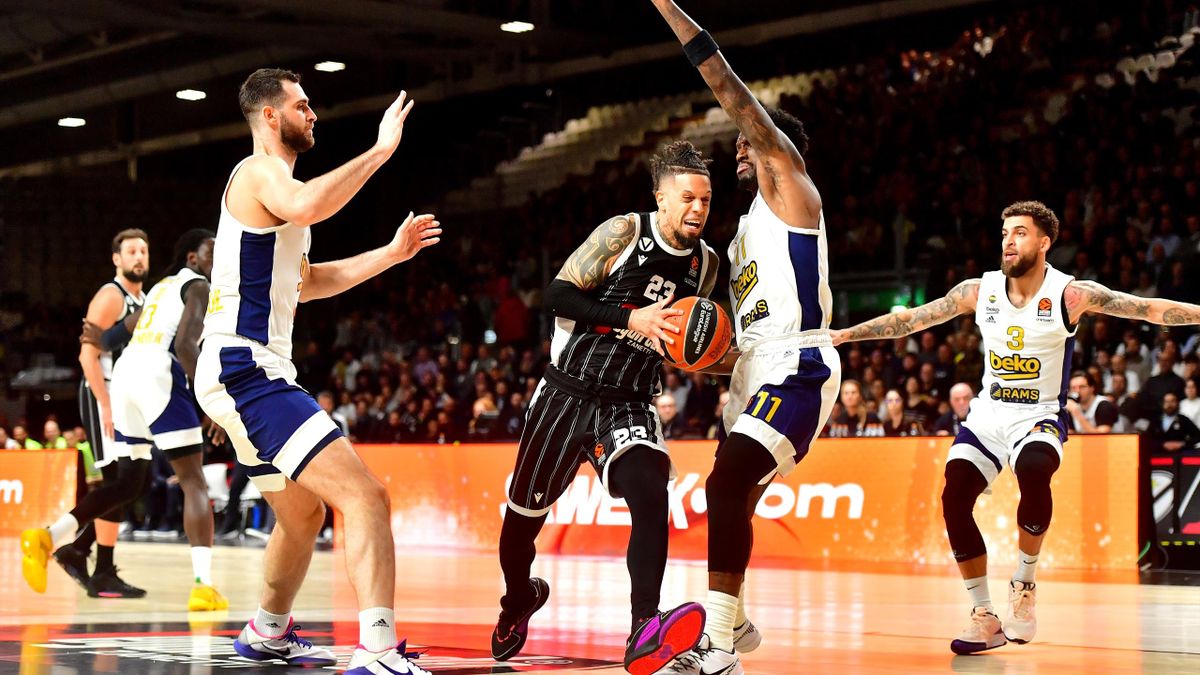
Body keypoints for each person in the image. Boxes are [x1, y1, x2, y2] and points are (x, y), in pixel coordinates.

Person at [833, 200, 1200, 655]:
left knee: (1033, 469)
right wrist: (845, 335)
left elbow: (1147, 309)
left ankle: (1024, 584)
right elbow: (910, 319)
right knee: (954, 496)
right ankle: (984, 615)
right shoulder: (978, 290)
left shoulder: (1070, 295)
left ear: (1044, 243)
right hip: (989, 414)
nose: (1009, 240)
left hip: (1039, 414)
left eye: (1020, 232)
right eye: (1006, 232)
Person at [193, 68, 440, 674]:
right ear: (270, 116)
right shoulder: (259, 173)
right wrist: (380, 152)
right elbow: (307, 203)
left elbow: (308, 283)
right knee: (366, 496)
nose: (313, 113)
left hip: (240, 368)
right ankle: (377, 649)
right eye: (302, 105)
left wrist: (391, 254)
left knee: (303, 514)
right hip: (245, 366)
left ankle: (266, 630)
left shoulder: (282, 198)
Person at [648, 3, 841, 673]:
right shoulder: (740, 237)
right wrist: (691, 351)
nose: (737, 148)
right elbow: (736, 340)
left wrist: (671, 11)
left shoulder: (791, 190)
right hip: (754, 368)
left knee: (729, 483)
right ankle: (735, 618)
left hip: (799, 363)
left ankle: (720, 644)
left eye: (745, 142)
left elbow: (731, 91)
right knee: (730, 492)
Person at [494, 140, 719, 674]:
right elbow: (556, 296)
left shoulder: (706, 265)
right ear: (661, 199)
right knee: (520, 526)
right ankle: (518, 598)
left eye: (706, 200)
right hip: (566, 391)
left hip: (629, 401)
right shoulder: (624, 232)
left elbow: (692, 344)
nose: (697, 209)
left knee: (651, 491)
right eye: (687, 198)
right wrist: (630, 317)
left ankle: (644, 626)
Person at [20, 229, 148, 599]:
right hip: (102, 394)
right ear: (116, 259)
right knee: (122, 481)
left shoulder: (145, 299)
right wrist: (104, 403)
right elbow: (87, 354)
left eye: (143, 251)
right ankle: (62, 545)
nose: (139, 257)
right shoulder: (111, 296)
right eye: (131, 251)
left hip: (128, 397)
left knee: (130, 482)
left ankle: (83, 555)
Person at [109, 229, 229, 610]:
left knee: (128, 481)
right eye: (211, 252)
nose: (218, 259)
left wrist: (96, 340)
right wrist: (212, 404)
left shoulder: (160, 287)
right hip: (158, 370)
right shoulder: (199, 286)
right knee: (193, 481)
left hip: (125, 372)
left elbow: (121, 331)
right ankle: (203, 586)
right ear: (193, 258)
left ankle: (56, 535)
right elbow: (185, 346)